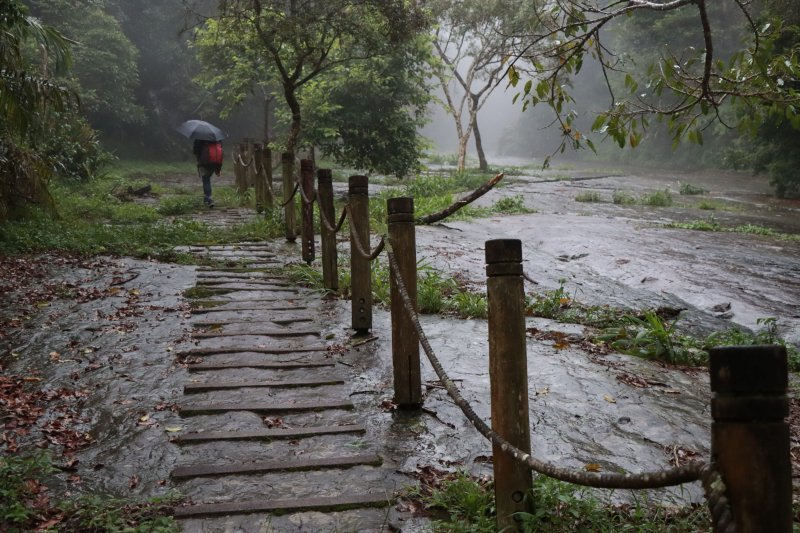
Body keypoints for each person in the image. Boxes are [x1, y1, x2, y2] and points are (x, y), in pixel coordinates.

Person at [193, 139, 222, 207]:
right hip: (214, 164)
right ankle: (206, 199)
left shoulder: (199, 139)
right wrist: (218, 169)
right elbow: (219, 153)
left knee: (206, 180)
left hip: (203, 163)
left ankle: (209, 198)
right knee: (207, 179)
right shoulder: (216, 139)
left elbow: (195, 151)